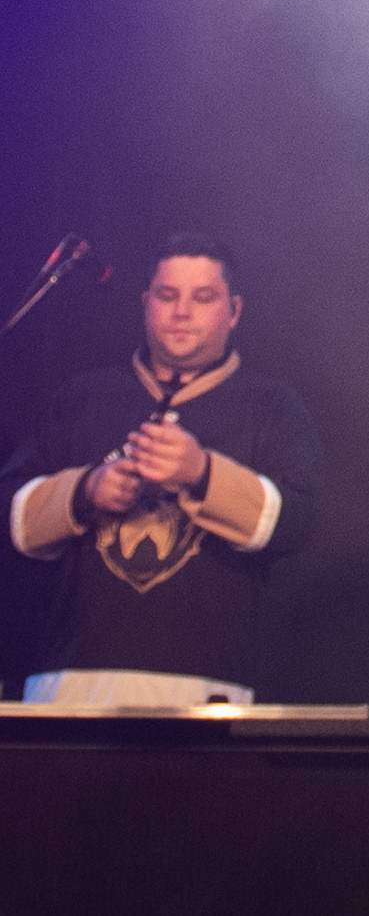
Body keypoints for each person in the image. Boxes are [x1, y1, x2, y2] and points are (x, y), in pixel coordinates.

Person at [6, 236, 320, 706]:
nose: (181, 312)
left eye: (203, 298)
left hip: (206, 695)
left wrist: (202, 472)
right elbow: (11, 515)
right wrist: (85, 491)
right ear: (145, 304)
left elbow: (292, 523)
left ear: (233, 311)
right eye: (167, 296)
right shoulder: (82, 397)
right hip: (69, 688)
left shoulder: (269, 407)